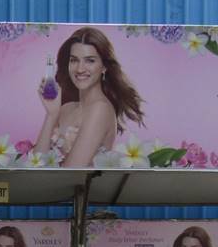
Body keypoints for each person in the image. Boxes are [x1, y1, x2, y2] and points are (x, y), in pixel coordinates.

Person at [32, 27, 145, 168]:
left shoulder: (100, 109)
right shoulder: (66, 108)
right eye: (74, 60)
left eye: (90, 61)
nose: (80, 69)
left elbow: (70, 174)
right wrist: (51, 115)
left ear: (104, 67)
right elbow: (35, 165)